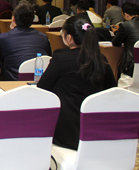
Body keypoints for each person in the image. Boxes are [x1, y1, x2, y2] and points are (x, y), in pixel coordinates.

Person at [37, 16, 117, 150]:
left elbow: (42, 88)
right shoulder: (101, 59)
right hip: (95, 131)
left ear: (69, 38)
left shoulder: (61, 58)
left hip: (66, 133)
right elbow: (112, 90)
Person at [0, 2, 51, 81]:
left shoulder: (3, 38)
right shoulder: (43, 38)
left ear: (13, 19)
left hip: (14, 83)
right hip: (39, 83)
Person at [111, 2, 139, 82]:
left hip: (131, 65)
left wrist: (116, 32)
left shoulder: (125, 25)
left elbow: (115, 43)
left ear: (125, 15)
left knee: (117, 66)